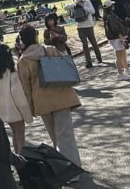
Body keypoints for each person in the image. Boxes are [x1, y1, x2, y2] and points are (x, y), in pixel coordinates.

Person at [16, 25, 83, 167]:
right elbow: (65, 67)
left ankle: (63, 167)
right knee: (65, 135)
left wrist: (31, 108)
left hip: (41, 102)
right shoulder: (50, 50)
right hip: (61, 96)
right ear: (35, 36)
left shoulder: (23, 61)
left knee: (55, 136)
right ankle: (73, 168)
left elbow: (26, 88)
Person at [0, 43, 33, 153]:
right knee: (19, 136)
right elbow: (18, 95)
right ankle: (22, 160)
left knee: (12, 136)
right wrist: (26, 113)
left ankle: (16, 158)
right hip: (14, 109)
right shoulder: (11, 72)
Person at [102, 0, 130, 80]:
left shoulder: (108, 15)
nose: (113, 6)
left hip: (116, 37)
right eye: (112, 5)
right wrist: (121, 37)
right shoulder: (110, 16)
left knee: (123, 54)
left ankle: (126, 69)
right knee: (119, 55)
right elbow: (115, 28)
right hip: (116, 38)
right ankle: (120, 74)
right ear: (110, 7)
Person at [70, 0, 102, 68]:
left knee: (93, 42)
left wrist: (83, 6)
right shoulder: (74, 4)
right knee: (85, 45)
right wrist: (74, 4)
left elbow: (93, 11)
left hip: (89, 26)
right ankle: (88, 62)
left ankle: (99, 57)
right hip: (80, 27)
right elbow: (68, 9)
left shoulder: (87, 1)